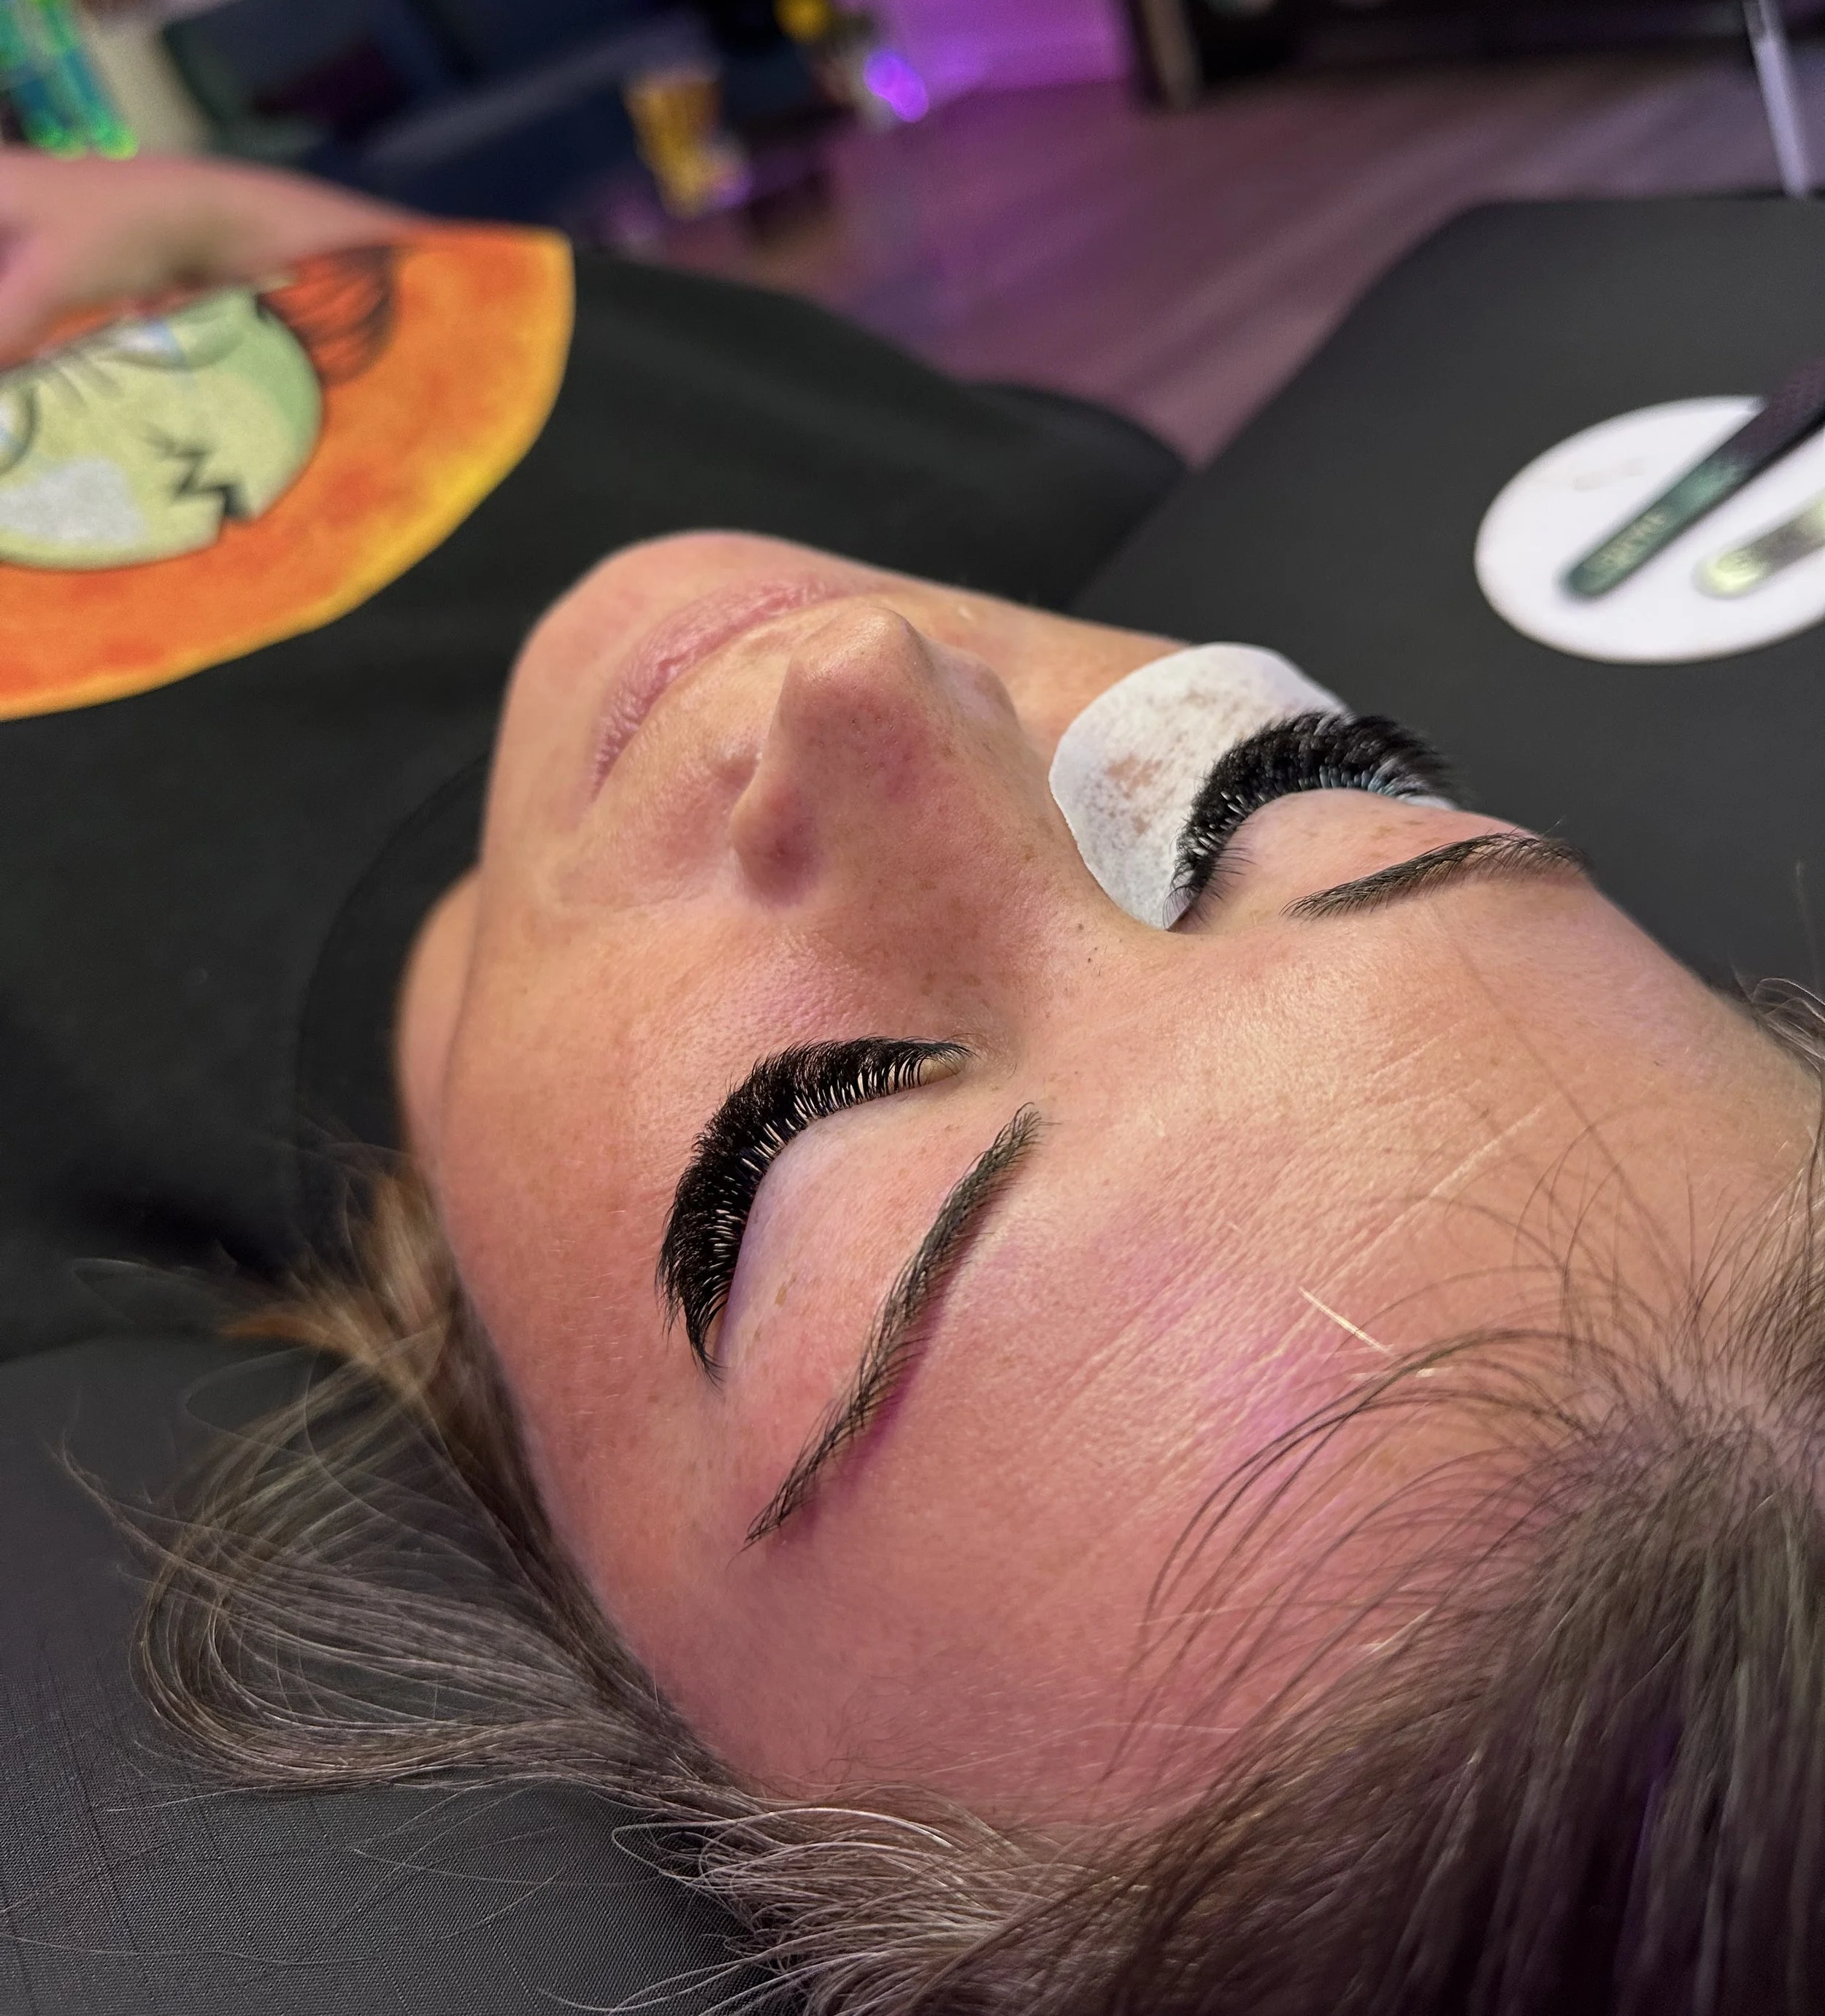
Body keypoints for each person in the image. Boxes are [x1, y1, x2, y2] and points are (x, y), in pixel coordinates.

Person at [7, 150, 1825, 2014]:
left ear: (593, 1633)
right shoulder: (1031, 492)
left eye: (810, 1122)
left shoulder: (41, 1137)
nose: (872, 676)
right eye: (1253, 793)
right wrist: (223, 228)